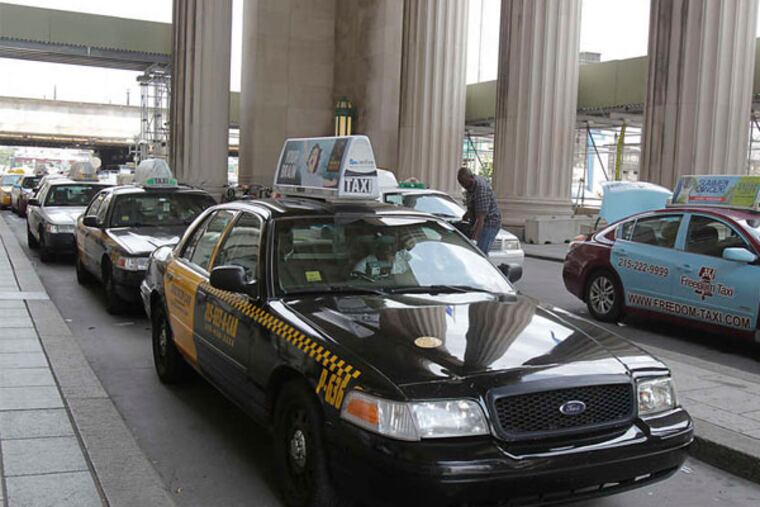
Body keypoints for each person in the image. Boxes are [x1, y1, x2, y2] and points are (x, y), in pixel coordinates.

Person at [457, 167, 502, 254]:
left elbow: (480, 219)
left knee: (480, 252)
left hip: (489, 223)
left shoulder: (481, 189)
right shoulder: (470, 186)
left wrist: (474, 239)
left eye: (464, 183)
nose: (463, 186)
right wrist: (466, 216)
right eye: (461, 183)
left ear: (471, 178)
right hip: (479, 220)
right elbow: (474, 205)